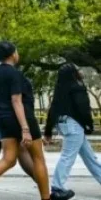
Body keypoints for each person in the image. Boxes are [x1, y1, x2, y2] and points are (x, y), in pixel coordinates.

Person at [0, 40, 62, 200]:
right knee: (38, 158)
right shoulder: (14, 73)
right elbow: (16, 100)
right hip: (22, 118)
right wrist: (25, 129)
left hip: (3, 119)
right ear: (11, 54)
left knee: (8, 159)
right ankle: (46, 197)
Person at [44, 63, 101, 195]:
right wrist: (89, 125)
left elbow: (52, 110)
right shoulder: (77, 87)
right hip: (75, 125)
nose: (80, 72)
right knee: (68, 156)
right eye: (78, 70)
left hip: (64, 124)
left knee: (90, 158)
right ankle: (57, 187)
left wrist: (48, 131)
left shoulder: (60, 89)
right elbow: (83, 108)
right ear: (73, 74)